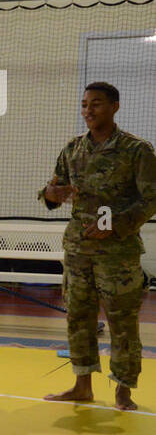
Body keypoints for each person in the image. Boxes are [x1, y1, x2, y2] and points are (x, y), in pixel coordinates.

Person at [41, 82, 156, 411]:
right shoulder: (73, 149)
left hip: (117, 256)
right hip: (78, 252)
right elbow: (54, 188)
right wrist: (51, 194)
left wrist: (116, 223)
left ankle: (123, 389)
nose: (89, 111)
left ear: (115, 107)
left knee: (122, 322)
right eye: (85, 105)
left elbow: (151, 198)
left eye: (97, 104)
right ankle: (82, 386)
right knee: (78, 318)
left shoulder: (137, 150)